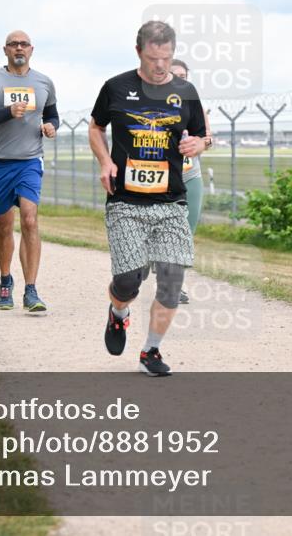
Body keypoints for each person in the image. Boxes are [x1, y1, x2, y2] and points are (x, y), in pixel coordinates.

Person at [89, 21, 208, 376]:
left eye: (166, 58)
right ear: (139, 52)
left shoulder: (185, 92)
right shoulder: (115, 87)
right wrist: (106, 160)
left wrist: (198, 143)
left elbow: (203, 136)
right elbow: (96, 127)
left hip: (171, 202)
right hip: (126, 202)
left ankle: (150, 351)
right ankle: (118, 312)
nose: (160, 66)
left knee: (171, 281)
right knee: (128, 281)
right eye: (153, 58)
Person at [0, 30, 59, 313]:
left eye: (24, 44)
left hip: (30, 160)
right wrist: (7, 112)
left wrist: (51, 126)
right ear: (5, 50)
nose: (19, 48)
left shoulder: (44, 82)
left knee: (30, 220)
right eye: (13, 44)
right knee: (5, 225)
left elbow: (52, 114)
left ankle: (31, 290)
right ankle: (5, 280)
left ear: (31, 49)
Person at [169, 59, 213, 304]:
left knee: (186, 231)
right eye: (173, 75)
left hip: (190, 175)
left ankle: (176, 285)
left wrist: (201, 144)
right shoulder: (152, 105)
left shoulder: (194, 105)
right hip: (163, 178)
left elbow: (208, 139)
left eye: (183, 76)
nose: (178, 80)